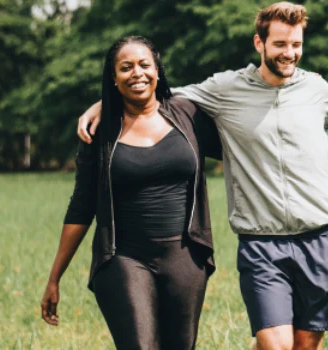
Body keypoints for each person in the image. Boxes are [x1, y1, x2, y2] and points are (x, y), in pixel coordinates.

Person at [73, 3, 328, 349]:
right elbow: (161, 94)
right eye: (280, 44)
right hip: (262, 239)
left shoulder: (315, 88)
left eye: (296, 45)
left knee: (305, 344)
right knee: (276, 345)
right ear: (260, 44)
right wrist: (105, 103)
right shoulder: (226, 88)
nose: (290, 53)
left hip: (320, 234)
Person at [41, 35, 222, 350]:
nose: (136, 73)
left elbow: (244, 139)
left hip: (185, 256)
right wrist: (55, 277)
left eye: (144, 65)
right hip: (123, 257)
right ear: (114, 78)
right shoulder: (99, 133)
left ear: (157, 70)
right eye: (126, 68)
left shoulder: (188, 114)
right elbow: (81, 207)